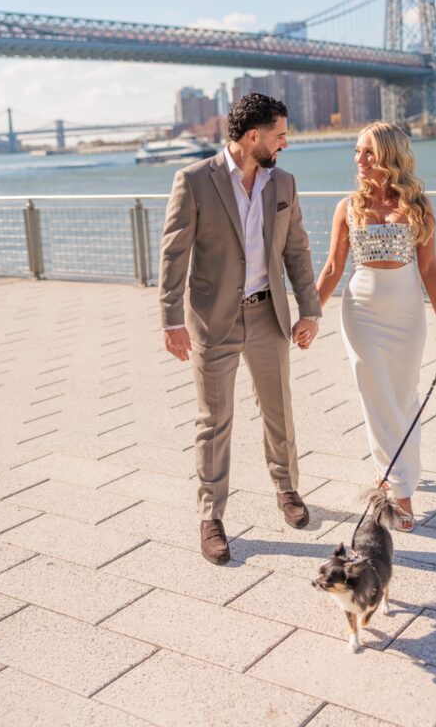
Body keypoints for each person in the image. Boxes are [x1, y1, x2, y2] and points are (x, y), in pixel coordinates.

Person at [159, 93, 322, 564]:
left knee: (280, 410)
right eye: (280, 135)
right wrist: (171, 319)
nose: (285, 143)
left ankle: (287, 488)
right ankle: (211, 515)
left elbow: (297, 250)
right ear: (254, 136)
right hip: (213, 321)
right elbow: (174, 255)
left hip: (269, 315)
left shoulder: (284, 183)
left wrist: (308, 310)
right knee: (214, 420)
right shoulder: (193, 181)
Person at [316, 121, 436, 531]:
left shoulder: (418, 206)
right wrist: (309, 314)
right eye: (357, 151)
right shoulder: (348, 207)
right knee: (375, 395)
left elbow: (429, 268)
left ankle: (393, 471)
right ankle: (401, 491)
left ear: (390, 157)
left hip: (407, 311)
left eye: (368, 152)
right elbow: (332, 268)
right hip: (362, 311)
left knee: (403, 394)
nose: (359, 160)